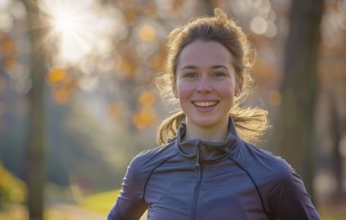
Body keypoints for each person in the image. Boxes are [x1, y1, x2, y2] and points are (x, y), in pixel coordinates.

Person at [108, 8, 321, 220]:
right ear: (174, 86)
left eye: (218, 74)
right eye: (191, 74)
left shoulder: (274, 176)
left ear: (239, 84)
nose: (203, 87)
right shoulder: (145, 170)